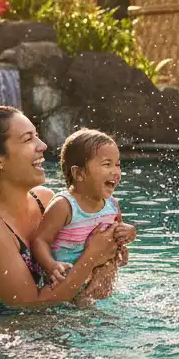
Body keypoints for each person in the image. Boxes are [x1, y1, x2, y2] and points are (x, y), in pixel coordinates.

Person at [0, 106, 136, 309]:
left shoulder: (44, 199)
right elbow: (30, 307)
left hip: (59, 325)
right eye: (28, 139)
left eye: (37, 136)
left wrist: (113, 249)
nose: (42, 145)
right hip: (2, 336)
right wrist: (92, 256)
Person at [31, 129, 130, 302]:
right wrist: (51, 265)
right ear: (79, 174)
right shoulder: (65, 206)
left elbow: (119, 231)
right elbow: (40, 240)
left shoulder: (112, 205)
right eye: (107, 164)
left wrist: (128, 235)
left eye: (118, 164)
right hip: (69, 286)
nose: (115, 171)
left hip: (99, 286)